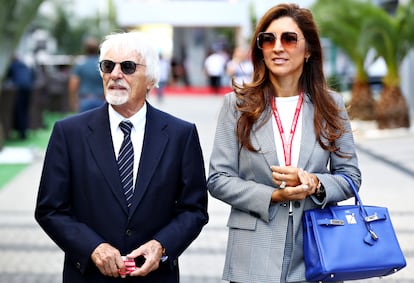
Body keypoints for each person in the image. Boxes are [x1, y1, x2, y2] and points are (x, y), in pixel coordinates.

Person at [35, 31, 209, 283]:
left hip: (155, 277)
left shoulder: (181, 134)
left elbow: (194, 209)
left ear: (150, 79)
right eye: (108, 66)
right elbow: (50, 209)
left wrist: (161, 246)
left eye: (127, 67)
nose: (116, 74)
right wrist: (93, 247)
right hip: (89, 277)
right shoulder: (69, 133)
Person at [207, 4, 361, 283]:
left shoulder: (331, 106)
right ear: (261, 49)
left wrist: (313, 182)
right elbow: (218, 178)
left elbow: (350, 178)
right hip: (252, 254)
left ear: (309, 49)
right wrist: (273, 196)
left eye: (289, 39)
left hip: (316, 250)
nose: (278, 47)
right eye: (268, 39)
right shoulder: (237, 105)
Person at [68, 37, 104, 112]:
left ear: (85, 49)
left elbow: (73, 84)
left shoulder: (80, 64)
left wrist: (73, 100)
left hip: (84, 100)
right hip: (101, 100)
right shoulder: (102, 64)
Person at [7, 56, 36, 140]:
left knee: (20, 111)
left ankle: (22, 133)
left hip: (19, 89)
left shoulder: (13, 66)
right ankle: (23, 132)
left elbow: (8, 77)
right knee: (25, 110)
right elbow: (33, 77)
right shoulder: (24, 65)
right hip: (29, 89)